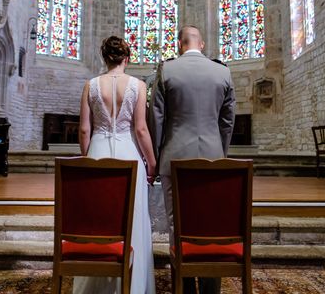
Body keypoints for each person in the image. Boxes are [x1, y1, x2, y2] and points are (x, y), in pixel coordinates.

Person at [149, 25, 235, 294]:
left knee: (178, 225)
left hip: (174, 157)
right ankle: (211, 288)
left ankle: (183, 288)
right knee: (212, 225)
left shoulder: (167, 69)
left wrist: (157, 152)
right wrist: (220, 153)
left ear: (179, 44)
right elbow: (227, 121)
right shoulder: (222, 71)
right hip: (213, 158)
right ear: (204, 43)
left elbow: (157, 119)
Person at [74, 36, 157, 294]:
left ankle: (95, 283)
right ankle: (131, 285)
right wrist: (152, 163)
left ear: (104, 58)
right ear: (127, 58)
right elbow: (141, 129)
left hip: (98, 152)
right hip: (129, 154)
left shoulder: (90, 85)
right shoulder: (138, 85)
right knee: (131, 220)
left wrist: (87, 158)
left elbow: (84, 130)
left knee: (97, 219)